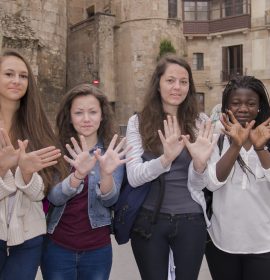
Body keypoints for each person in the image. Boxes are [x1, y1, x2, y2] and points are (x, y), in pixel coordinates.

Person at [125, 53, 216, 280]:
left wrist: (199, 164)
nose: (177, 87)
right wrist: (164, 160)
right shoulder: (138, 122)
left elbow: (201, 184)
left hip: (191, 220)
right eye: (170, 80)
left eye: (183, 82)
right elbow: (134, 176)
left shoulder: (200, 122)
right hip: (149, 221)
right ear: (158, 84)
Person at [41, 84, 130, 280]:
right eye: (79, 113)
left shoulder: (111, 152)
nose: (87, 119)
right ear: (70, 117)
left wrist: (106, 174)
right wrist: (77, 176)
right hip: (58, 247)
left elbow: (110, 201)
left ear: (102, 115)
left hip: (97, 249)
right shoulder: (58, 150)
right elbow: (54, 197)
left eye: (93, 112)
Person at [192, 75, 270, 280]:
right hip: (222, 243)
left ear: (259, 107)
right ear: (226, 107)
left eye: (251, 103)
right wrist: (235, 145)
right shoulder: (216, 140)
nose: (243, 108)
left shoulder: (267, 138)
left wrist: (260, 147)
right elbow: (211, 183)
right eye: (235, 103)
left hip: (264, 245)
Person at [0, 49, 66, 280]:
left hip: (28, 234)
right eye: (9, 74)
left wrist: (27, 175)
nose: (17, 81)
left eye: (23, 76)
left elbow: (42, 192)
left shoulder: (36, 126)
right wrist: (2, 170)